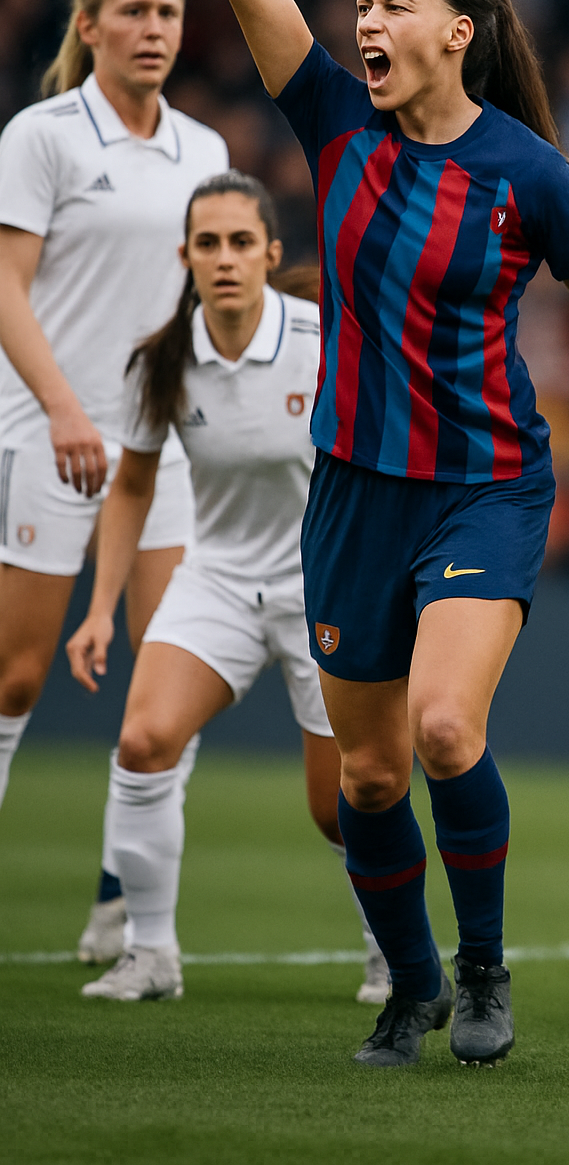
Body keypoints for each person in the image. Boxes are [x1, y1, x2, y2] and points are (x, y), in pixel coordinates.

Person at [217, 0, 569, 1067]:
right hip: (353, 487)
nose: (365, 19)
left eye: (393, 2)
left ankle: (482, 974)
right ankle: (408, 988)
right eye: (359, 3)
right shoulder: (337, 125)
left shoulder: (530, 171)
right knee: (368, 778)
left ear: (458, 28)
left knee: (447, 729)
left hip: (487, 484)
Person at [66, 172, 386, 1004]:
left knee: (343, 803)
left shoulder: (326, 337)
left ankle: (393, 952)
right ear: (186, 257)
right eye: (207, 244)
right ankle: (150, 955)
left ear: (271, 255)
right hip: (217, 580)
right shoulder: (161, 359)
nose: (225, 259)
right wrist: (101, 608)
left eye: (242, 242)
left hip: (326, 587)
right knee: (142, 745)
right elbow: (132, 486)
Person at [0, 0, 228, 959]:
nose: (154, 29)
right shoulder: (41, 136)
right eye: (134, 11)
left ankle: (120, 908)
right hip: (47, 432)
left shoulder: (205, 149)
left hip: (163, 452)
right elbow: (6, 285)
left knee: (161, 692)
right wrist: (60, 409)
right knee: (13, 679)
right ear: (89, 26)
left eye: (169, 13)